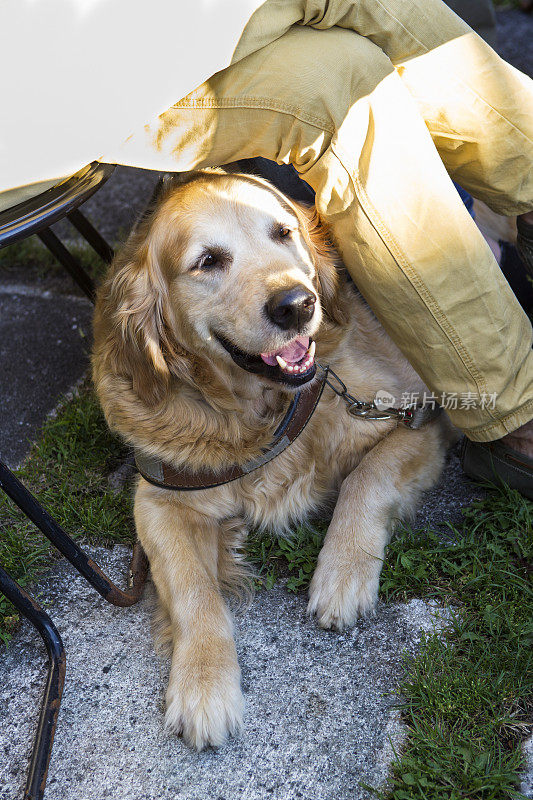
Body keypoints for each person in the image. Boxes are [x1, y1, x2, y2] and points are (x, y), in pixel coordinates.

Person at [1, 0, 532, 495]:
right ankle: (517, 416)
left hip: (77, 36)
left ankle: (512, 408)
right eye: (209, 261)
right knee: (335, 69)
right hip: (29, 94)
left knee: (342, 67)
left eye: (283, 235)